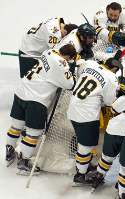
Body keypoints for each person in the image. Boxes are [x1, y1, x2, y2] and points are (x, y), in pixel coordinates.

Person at [5, 44, 77, 173]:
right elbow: (70, 84)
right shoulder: (62, 64)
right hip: (36, 100)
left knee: (16, 126)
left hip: (21, 92)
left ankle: (9, 151)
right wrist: (70, 70)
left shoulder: (49, 52)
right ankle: (24, 161)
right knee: (33, 133)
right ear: (69, 57)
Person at [67, 56, 125, 186]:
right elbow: (109, 102)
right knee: (86, 146)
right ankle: (80, 175)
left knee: (84, 143)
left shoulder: (89, 64)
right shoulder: (111, 78)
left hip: (72, 109)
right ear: (115, 68)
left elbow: (78, 68)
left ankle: (84, 167)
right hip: (87, 114)